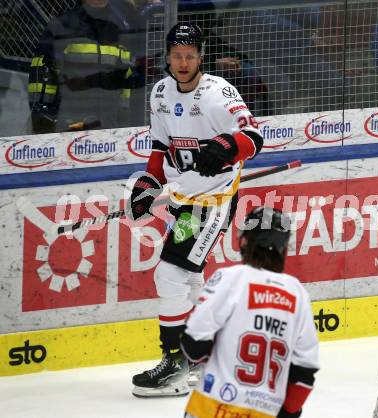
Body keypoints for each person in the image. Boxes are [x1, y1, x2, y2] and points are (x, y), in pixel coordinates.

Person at [130, 22, 263, 397]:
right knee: (189, 280)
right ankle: (209, 356)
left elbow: (253, 135)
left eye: (190, 56)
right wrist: (148, 183)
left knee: (169, 273)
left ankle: (175, 363)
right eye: (177, 56)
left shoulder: (219, 92)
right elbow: (159, 147)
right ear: (168, 57)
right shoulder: (159, 93)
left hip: (212, 201)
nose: (183, 62)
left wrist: (225, 145)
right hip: (181, 200)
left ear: (200, 56)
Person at [180, 207, 319, 418]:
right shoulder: (297, 292)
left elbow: (193, 345)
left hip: (211, 410)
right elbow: (304, 374)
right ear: (284, 248)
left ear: (244, 241)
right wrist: (287, 412)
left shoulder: (230, 278)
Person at [28, 0, 140, 133]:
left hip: (109, 125)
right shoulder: (64, 24)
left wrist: (124, 115)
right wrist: (43, 112)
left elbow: (126, 76)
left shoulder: (123, 26)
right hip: (70, 122)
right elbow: (42, 70)